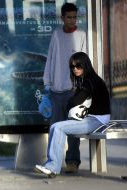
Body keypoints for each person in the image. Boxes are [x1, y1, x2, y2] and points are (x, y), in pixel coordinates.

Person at [35, 52, 111, 177]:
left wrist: (70, 102)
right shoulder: (86, 79)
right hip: (92, 118)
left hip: (97, 120)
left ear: (85, 65)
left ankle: (53, 167)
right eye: (72, 67)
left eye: (78, 66)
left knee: (58, 127)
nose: (75, 69)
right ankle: (51, 164)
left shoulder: (90, 80)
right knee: (55, 126)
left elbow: (76, 100)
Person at [42, 2, 87, 173]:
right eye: (69, 17)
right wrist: (47, 83)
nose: (72, 20)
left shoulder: (82, 35)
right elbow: (50, 59)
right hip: (55, 90)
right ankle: (52, 163)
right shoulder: (56, 35)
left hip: (73, 90)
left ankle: (73, 162)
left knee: (73, 128)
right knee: (55, 128)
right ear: (62, 18)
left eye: (75, 17)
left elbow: (85, 63)